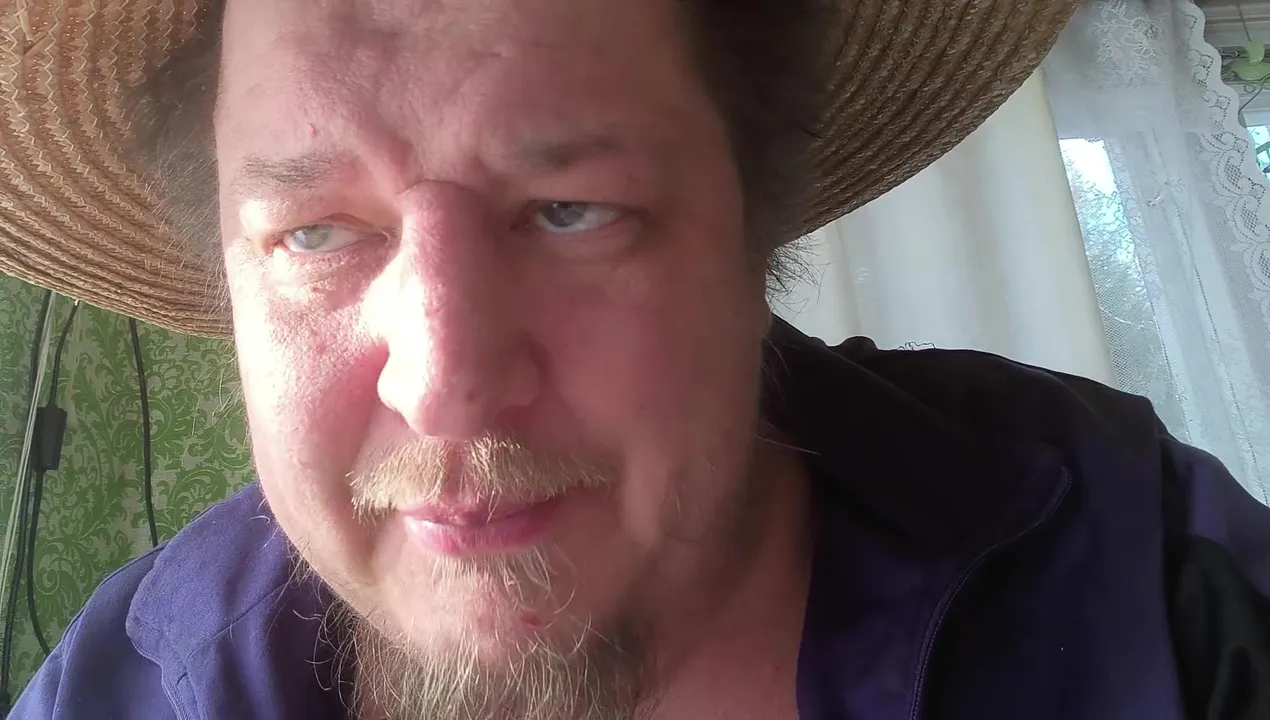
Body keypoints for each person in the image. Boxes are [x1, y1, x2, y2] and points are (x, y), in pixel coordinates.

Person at [2, 0, 1269, 718]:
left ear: (753, 233)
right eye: (316, 234)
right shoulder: (114, 696)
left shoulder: (1155, 597)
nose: (443, 385)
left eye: (572, 211)